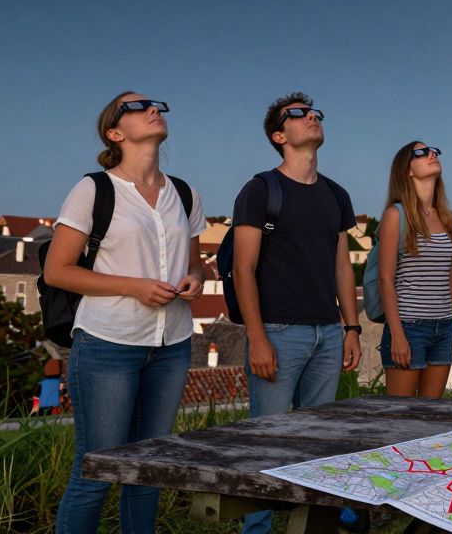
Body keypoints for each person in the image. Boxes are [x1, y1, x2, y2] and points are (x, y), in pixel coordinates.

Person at [47, 92, 205, 533]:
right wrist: (133, 287)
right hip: (107, 345)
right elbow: (57, 271)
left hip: (171, 345)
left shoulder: (185, 192)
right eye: (136, 107)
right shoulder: (92, 189)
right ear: (115, 133)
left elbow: (195, 261)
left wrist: (195, 278)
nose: (153, 109)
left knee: (149, 469)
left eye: (155, 105)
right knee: (96, 470)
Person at [231, 92, 361, 534]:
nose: (312, 119)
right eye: (299, 115)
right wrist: (258, 337)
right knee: (266, 442)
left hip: (328, 331)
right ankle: (257, 529)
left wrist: (352, 327)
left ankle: (314, 524)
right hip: (278, 330)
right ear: (279, 135)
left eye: (315, 114)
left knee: (319, 441)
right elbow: (242, 268)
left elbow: (343, 265)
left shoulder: (336, 194)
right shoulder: (260, 190)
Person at [377, 140, 452, 398]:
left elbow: (450, 275)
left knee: (430, 416)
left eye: (433, 151)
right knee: (400, 416)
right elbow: (386, 278)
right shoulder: (396, 215)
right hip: (409, 326)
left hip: (443, 327)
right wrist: (396, 334)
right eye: (421, 152)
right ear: (407, 170)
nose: (431, 154)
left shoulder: (446, 216)